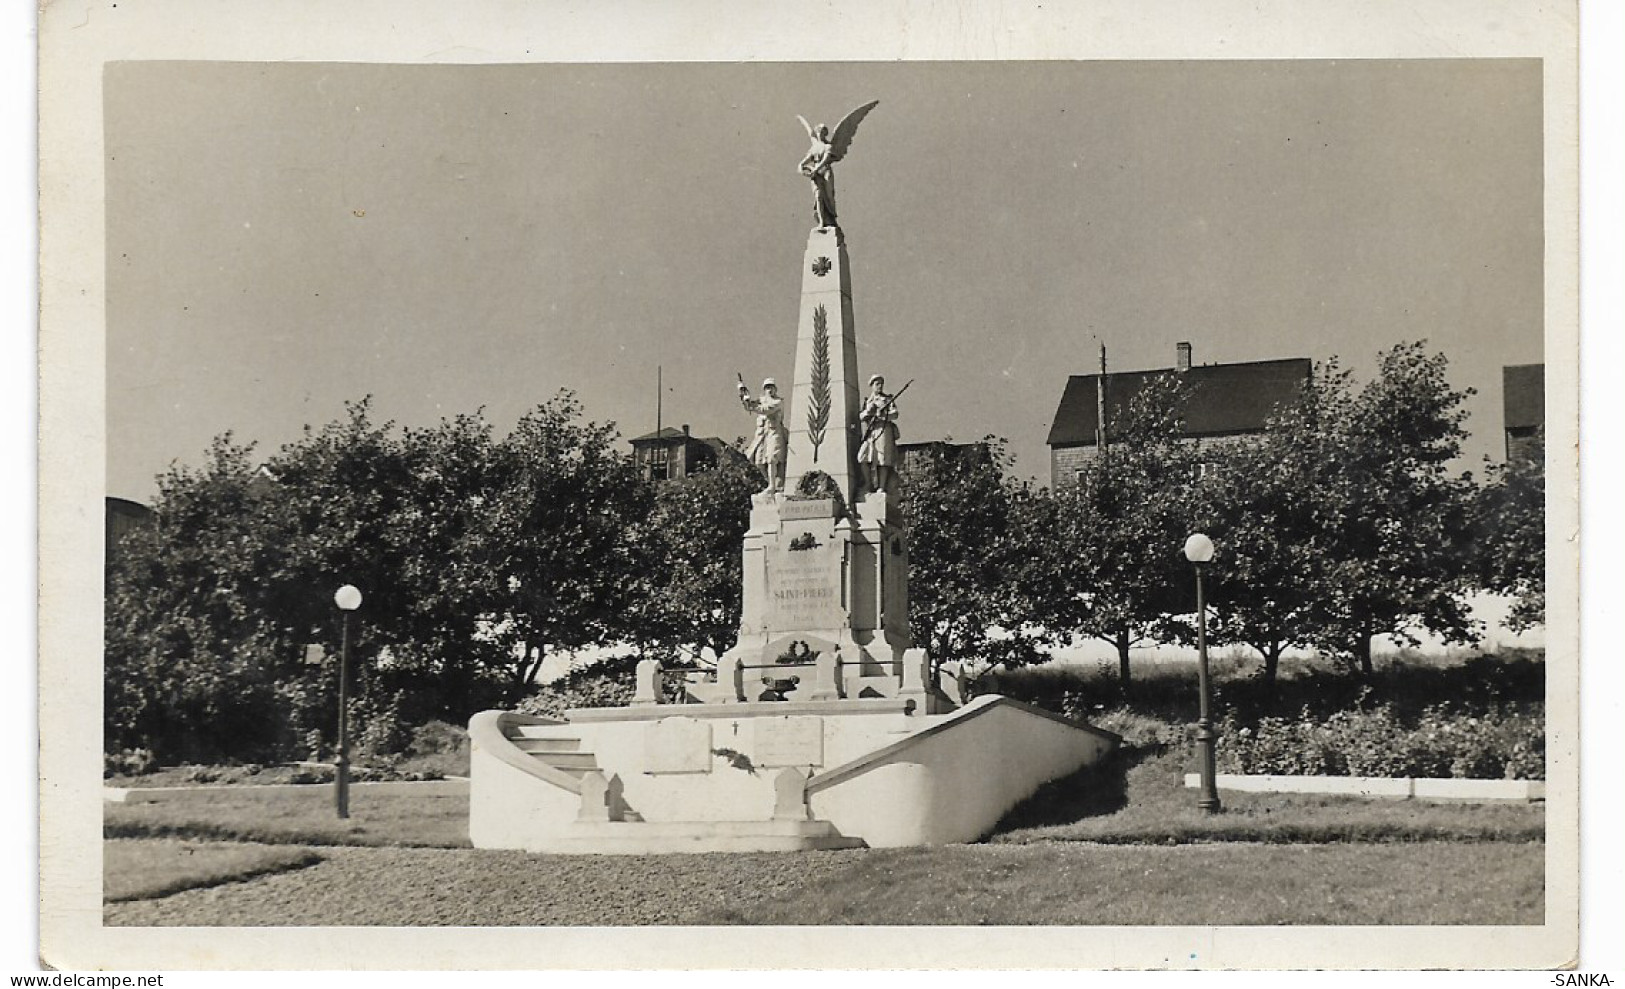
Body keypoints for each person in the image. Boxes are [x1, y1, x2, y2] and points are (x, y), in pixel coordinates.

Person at [738, 374, 789, 494]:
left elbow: (765, 410)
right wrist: (745, 398)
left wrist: (752, 405)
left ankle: (772, 486)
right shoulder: (761, 401)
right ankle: (770, 483)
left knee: (772, 459)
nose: (769, 390)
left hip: (775, 433)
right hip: (762, 436)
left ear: (775, 389)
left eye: (771, 387)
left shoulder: (778, 402)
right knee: (757, 461)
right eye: (767, 388)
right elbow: (748, 407)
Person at [857, 374, 900, 495]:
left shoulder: (887, 399)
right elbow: (861, 416)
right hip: (871, 431)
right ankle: (868, 483)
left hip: (884, 428)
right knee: (862, 456)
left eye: (881, 383)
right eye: (877, 384)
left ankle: (881, 486)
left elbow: (895, 413)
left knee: (882, 458)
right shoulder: (868, 401)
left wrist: (882, 415)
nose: (880, 386)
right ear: (872, 386)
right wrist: (868, 411)